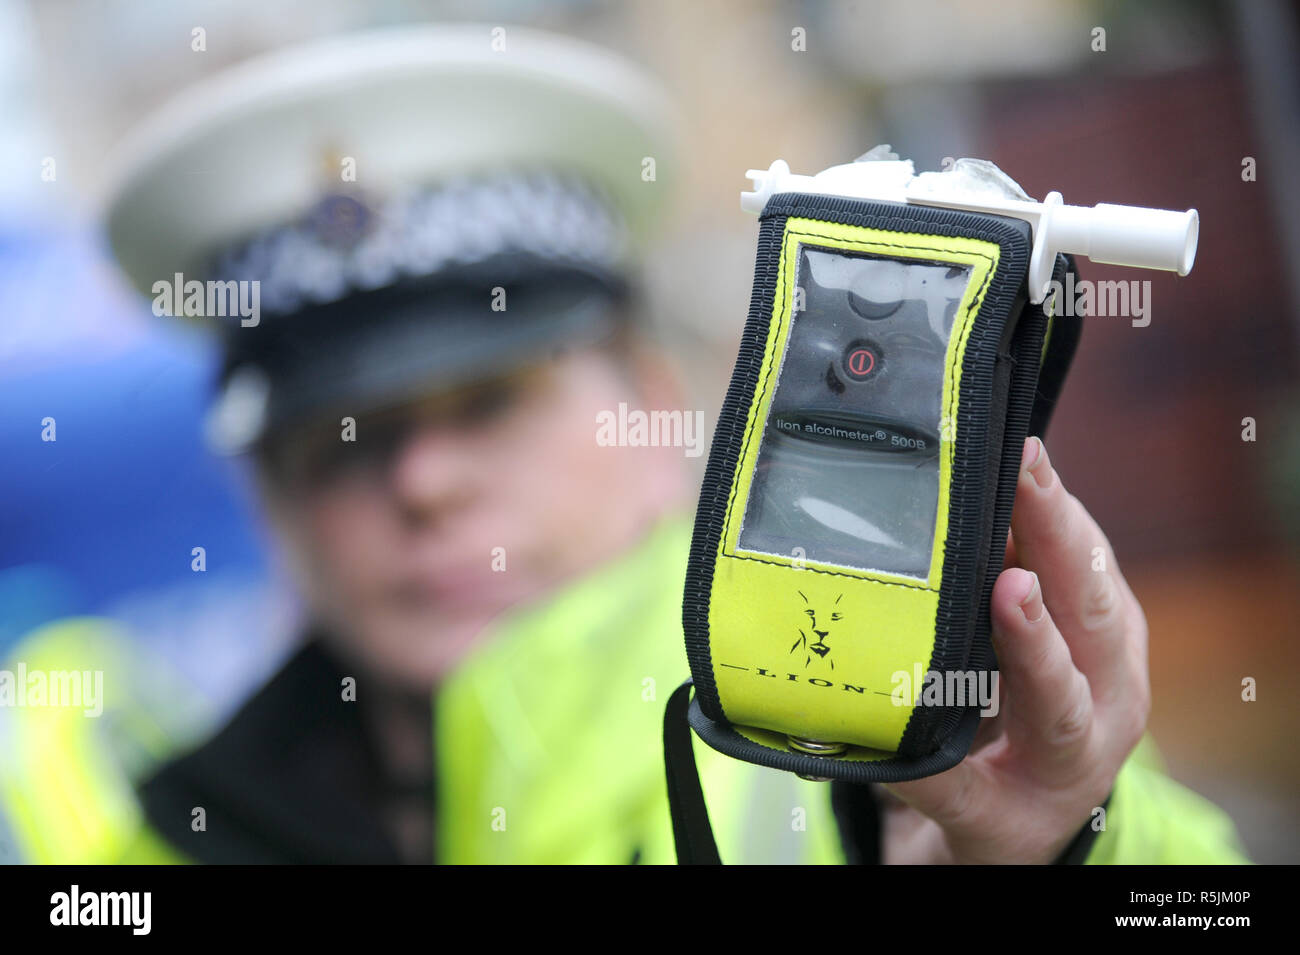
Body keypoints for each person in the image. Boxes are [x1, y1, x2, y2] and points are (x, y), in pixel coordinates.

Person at [1, 24, 1249, 865]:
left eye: (491, 403)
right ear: (269, 499)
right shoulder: (134, 824)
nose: (424, 483)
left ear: (654, 399)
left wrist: (1064, 842)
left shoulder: (894, 757)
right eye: (342, 441)